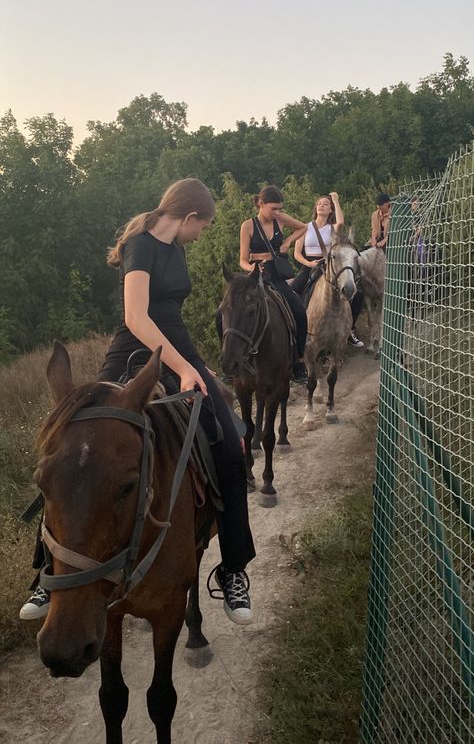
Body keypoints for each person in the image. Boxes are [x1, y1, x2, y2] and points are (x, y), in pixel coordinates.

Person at [20, 178, 255, 625]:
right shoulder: (140, 247)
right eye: (202, 226)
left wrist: (187, 363)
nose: (201, 234)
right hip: (134, 347)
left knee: (227, 443)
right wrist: (182, 369)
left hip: (179, 346)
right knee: (74, 445)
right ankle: (47, 572)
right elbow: (135, 316)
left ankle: (233, 569)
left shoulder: (175, 248)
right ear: (189, 216)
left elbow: (168, 315)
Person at [239, 185, 309, 382]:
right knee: (227, 313)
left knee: (299, 312)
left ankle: (299, 360)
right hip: (255, 274)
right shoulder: (248, 226)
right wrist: (251, 268)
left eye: (279, 208)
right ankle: (233, 361)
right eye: (273, 208)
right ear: (260, 204)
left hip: (276, 274)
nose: (277, 212)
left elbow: (304, 227)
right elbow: (243, 259)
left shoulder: (280, 219)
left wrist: (287, 242)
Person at [292, 193, 364, 348]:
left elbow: (341, 221)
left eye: (325, 204)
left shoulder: (332, 229)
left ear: (330, 209)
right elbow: (296, 253)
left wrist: (336, 200)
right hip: (309, 266)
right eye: (319, 203)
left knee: (356, 296)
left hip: (329, 266)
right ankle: (296, 330)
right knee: (292, 292)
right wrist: (309, 263)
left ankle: (348, 330)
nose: (321, 205)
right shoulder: (304, 227)